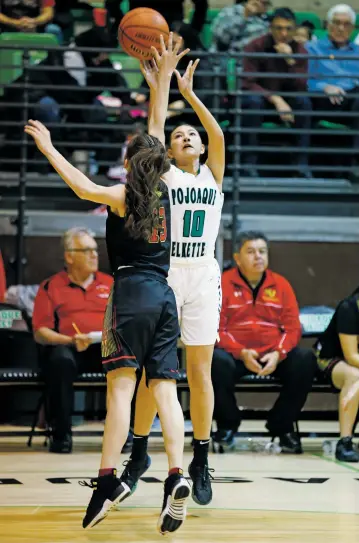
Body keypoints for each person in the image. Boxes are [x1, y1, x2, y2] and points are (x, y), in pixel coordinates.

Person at [24, 34, 191, 535]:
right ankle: (176, 475)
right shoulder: (164, 188)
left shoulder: (121, 194)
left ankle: (105, 479)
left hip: (130, 294)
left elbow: (80, 185)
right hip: (165, 296)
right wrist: (159, 79)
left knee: (120, 391)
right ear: (155, 160)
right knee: (164, 390)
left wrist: (50, 147)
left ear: (127, 161)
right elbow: (156, 125)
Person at [118, 33, 225, 507]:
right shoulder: (166, 173)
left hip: (202, 274)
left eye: (192, 136)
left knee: (199, 372)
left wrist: (191, 95)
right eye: (181, 134)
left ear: (200, 148)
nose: (187, 136)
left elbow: (217, 134)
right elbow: (156, 127)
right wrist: (160, 89)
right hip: (164, 272)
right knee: (153, 373)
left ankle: (201, 456)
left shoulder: (210, 173)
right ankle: (139, 450)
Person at [211, 232, 317, 453]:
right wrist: (241, 353)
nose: (258, 256)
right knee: (214, 362)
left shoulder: (281, 284)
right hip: (236, 354)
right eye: (251, 252)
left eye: (262, 251)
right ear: (238, 258)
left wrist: (279, 353)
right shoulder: (222, 283)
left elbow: (293, 328)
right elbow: (216, 329)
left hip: (273, 354)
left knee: (305, 360)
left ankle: (282, 424)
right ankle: (227, 425)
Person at [32, 227, 113, 453]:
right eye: (87, 250)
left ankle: (125, 434)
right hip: (70, 349)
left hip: (105, 347)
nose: (94, 255)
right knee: (60, 361)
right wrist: (69, 340)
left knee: (129, 358)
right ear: (69, 256)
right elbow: (41, 331)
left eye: (95, 250)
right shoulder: (51, 286)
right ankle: (62, 435)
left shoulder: (111, 284)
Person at [242, 7, 312, 178]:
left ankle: (301, 165)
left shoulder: (300, 50)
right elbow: (247, 82)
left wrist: (290, 61)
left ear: (294, 30)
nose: (284, 33)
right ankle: (247, 165)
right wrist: (275, 98)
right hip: (262, 99)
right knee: (252, 101)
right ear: (270, 28)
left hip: (289, 101)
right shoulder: (256, 46)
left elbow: (302, 84)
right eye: (279, 28)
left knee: (305, 103)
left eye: (288, 29)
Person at [314, 287, 359, 462]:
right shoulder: (350, 307)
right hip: (331, 358)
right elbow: (351, 356)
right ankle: (345, 442)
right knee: (355, 377)